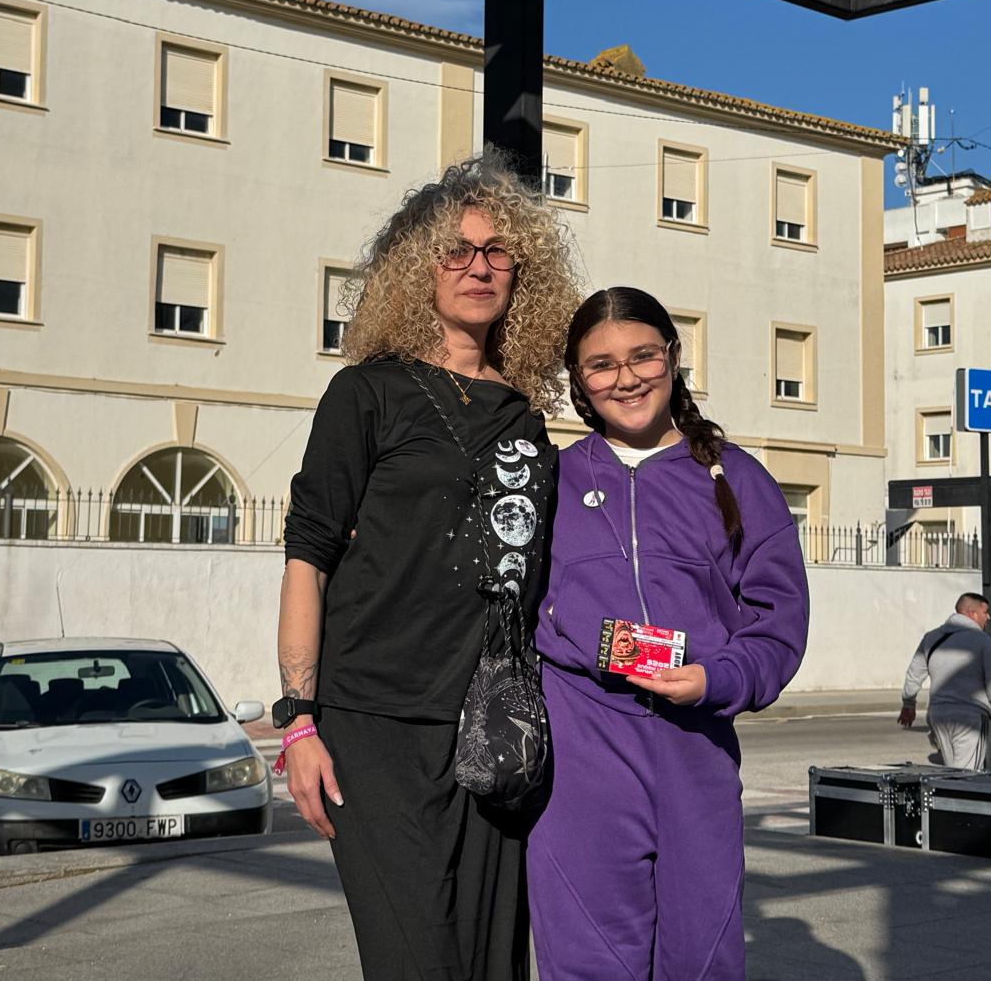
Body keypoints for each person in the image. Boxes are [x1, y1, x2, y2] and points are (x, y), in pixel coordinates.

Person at [277, 156, 580, 980]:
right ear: (419, 266)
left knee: (489, 962)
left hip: (493, 724)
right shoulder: (366, 395)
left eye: (497, 251)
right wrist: (298, 721)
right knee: (415, 959)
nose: (479, 267)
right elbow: (309, 555)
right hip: (372, 723)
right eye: (457, 250)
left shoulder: (525, 419)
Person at [528, 287, 810, 981]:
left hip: (696, 750)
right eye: (601, 365)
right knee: (588, 963)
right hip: (580, 753)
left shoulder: (738, 479)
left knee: (702, 962)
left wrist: (718, 677)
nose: (626, 378)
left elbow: (778, 625)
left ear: (674, 358)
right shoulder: (553, 480)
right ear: (579, 381)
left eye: (643, 356)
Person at [897, 593, 991, 770]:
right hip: (970, 715)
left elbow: (914, 673)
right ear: (972, 613)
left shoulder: (931, 638)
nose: (988, 617)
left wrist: (908, 703)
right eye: (985, 612)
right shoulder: (984, 641)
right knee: (969, 774)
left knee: (951, 771)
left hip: (939, 714)